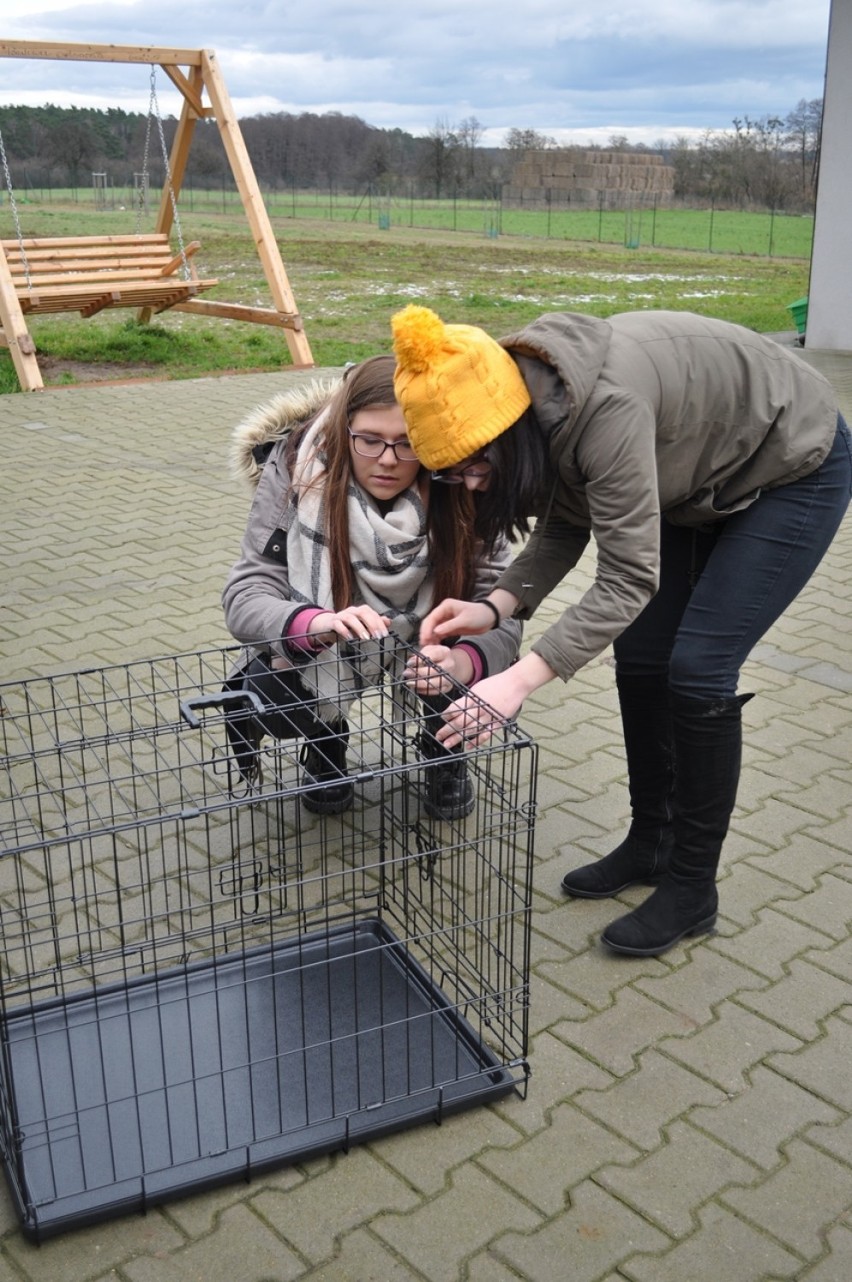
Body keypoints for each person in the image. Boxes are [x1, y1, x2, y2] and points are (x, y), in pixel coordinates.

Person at [391, 304, 851, 956]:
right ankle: (651, 841)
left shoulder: (601, 408)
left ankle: (693, 888)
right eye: (450, 472)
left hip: (790, 463)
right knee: (639, 655)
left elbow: (629, 577)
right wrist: (493, 607)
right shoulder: (536, 402)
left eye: (472, 464)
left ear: (507, 429)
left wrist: (518, 680)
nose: (468, 483)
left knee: (697, 670)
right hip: (695, 477)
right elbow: (567, 519)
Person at [221, 353, 521, 819]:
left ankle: (444, 748)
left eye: (407, 444)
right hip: (334, 636)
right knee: (271, 696)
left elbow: (502, 600)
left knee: (480, 673)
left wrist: (464, 661)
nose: (386, 460)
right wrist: (314, 623)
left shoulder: (465, 474)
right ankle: (326, 741)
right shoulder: (296, 467)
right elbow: (246, 593)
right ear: (345, 429)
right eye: (369, 440)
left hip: (430, 632)